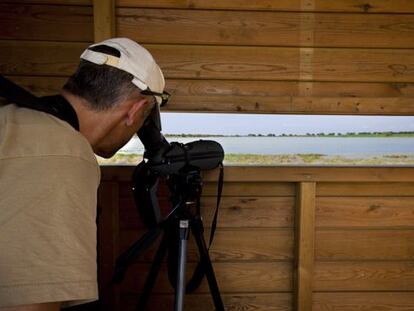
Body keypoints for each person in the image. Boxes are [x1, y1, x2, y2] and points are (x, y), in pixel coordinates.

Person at [0, 38, 170, 310]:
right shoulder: (64, 154)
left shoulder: (13, 117)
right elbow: (31, 300)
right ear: (135, 110)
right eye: (143, 120)